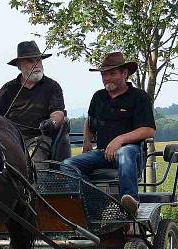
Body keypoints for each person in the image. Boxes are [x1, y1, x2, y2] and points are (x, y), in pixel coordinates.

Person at [62, 52, 156, 216]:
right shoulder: (98, 97)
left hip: (131, 154)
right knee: (66, 165)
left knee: (125, 152)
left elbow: (148, 130)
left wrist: (119, 140)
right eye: (104, 74)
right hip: (102, 153)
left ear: (124, 74)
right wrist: (87, 142)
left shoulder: (139, 97)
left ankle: (130, 203)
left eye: (112, 73)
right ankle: (93, 203)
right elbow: (90, 121)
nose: (107, 78)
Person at [0, 41, 71, 168]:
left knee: (32, 164)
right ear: (19, 66)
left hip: (38, 139)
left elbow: (58, 113)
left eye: (38, 60)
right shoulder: (8, 89)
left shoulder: (52, 86)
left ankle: (36, 188)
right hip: (10, 139)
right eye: (30, 61)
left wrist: (52, 123)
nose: (36, 65)